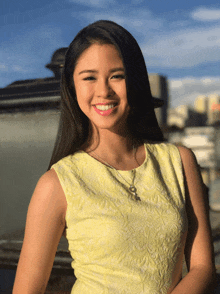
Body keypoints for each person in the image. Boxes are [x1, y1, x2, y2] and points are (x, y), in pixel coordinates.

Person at [13, 20, 216, 294]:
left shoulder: (179, 161)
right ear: (72, 88)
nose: (104, 91)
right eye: (89, 77)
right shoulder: (57, 183)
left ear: (135, 80)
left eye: (117, 75)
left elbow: (203, 268)